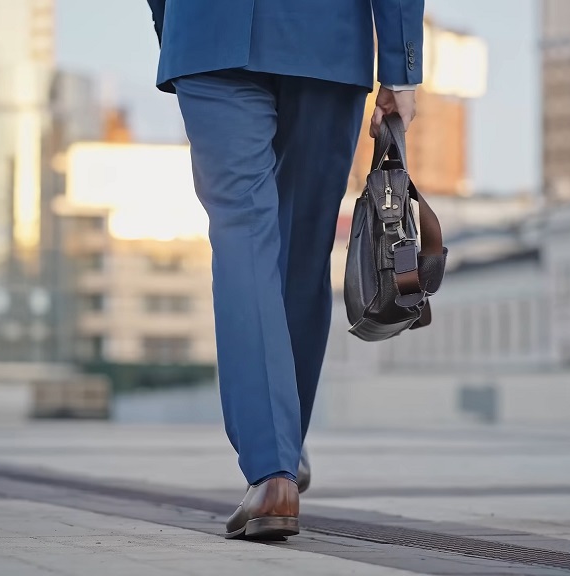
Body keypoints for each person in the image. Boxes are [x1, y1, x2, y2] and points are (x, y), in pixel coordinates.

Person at [145, 0, 424, 540]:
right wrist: (400, 66)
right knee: (301, 251)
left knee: (243, 239)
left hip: (208, 34)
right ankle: (281, 451)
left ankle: (273, 469)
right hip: (325, 39)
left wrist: (174, 24)